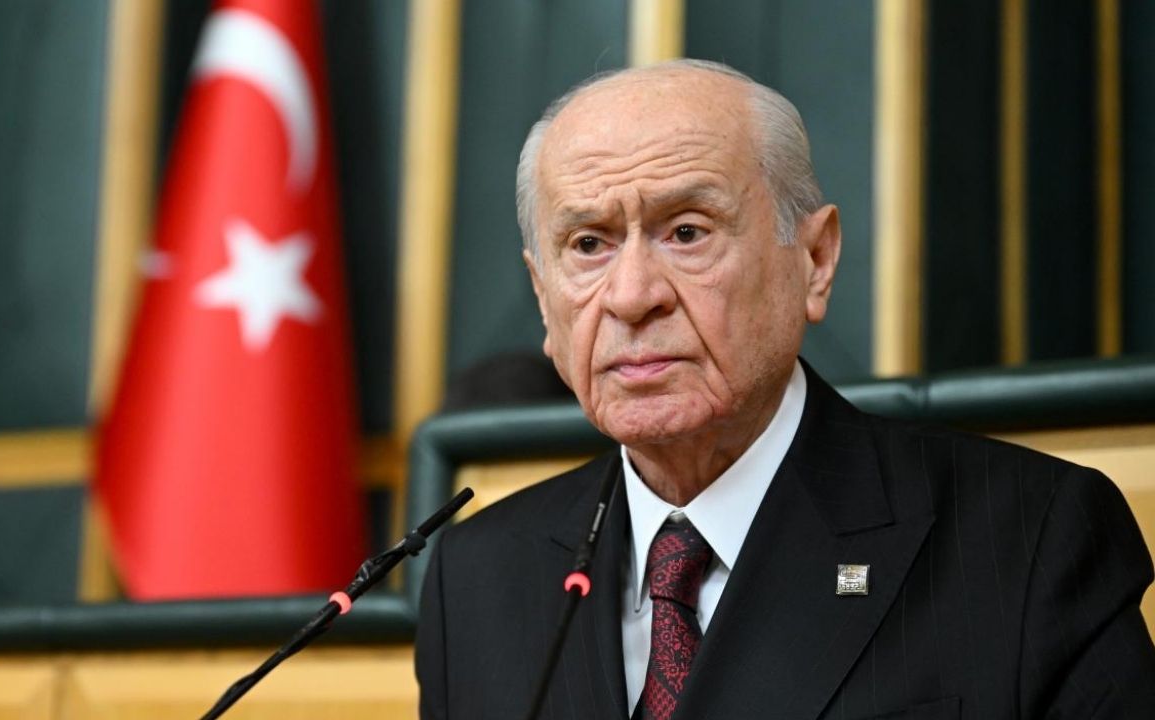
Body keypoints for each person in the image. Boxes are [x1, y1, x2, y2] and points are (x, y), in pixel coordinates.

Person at [415, 59, 1155, 719]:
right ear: (544, 299)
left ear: (815, 260)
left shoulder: (1028, 540)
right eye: (588, 245)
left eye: (687, 232)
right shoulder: (476, 579)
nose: (633, 296)